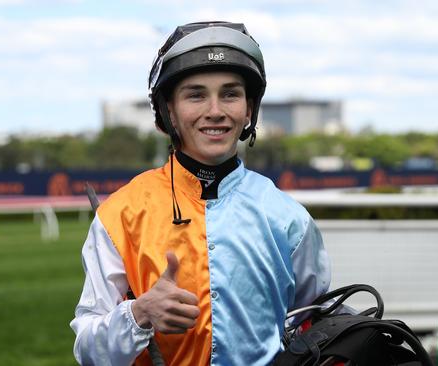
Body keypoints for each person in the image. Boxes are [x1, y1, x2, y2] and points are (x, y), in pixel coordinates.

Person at [70, 21, 331, 365]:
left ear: (249, 109)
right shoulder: (120, 215)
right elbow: (88, 351)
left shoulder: (288, 218)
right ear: (169, 112)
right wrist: (139, 313)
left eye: (230, 93)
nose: (215, 111)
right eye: (196, 94)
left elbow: (316, 324)